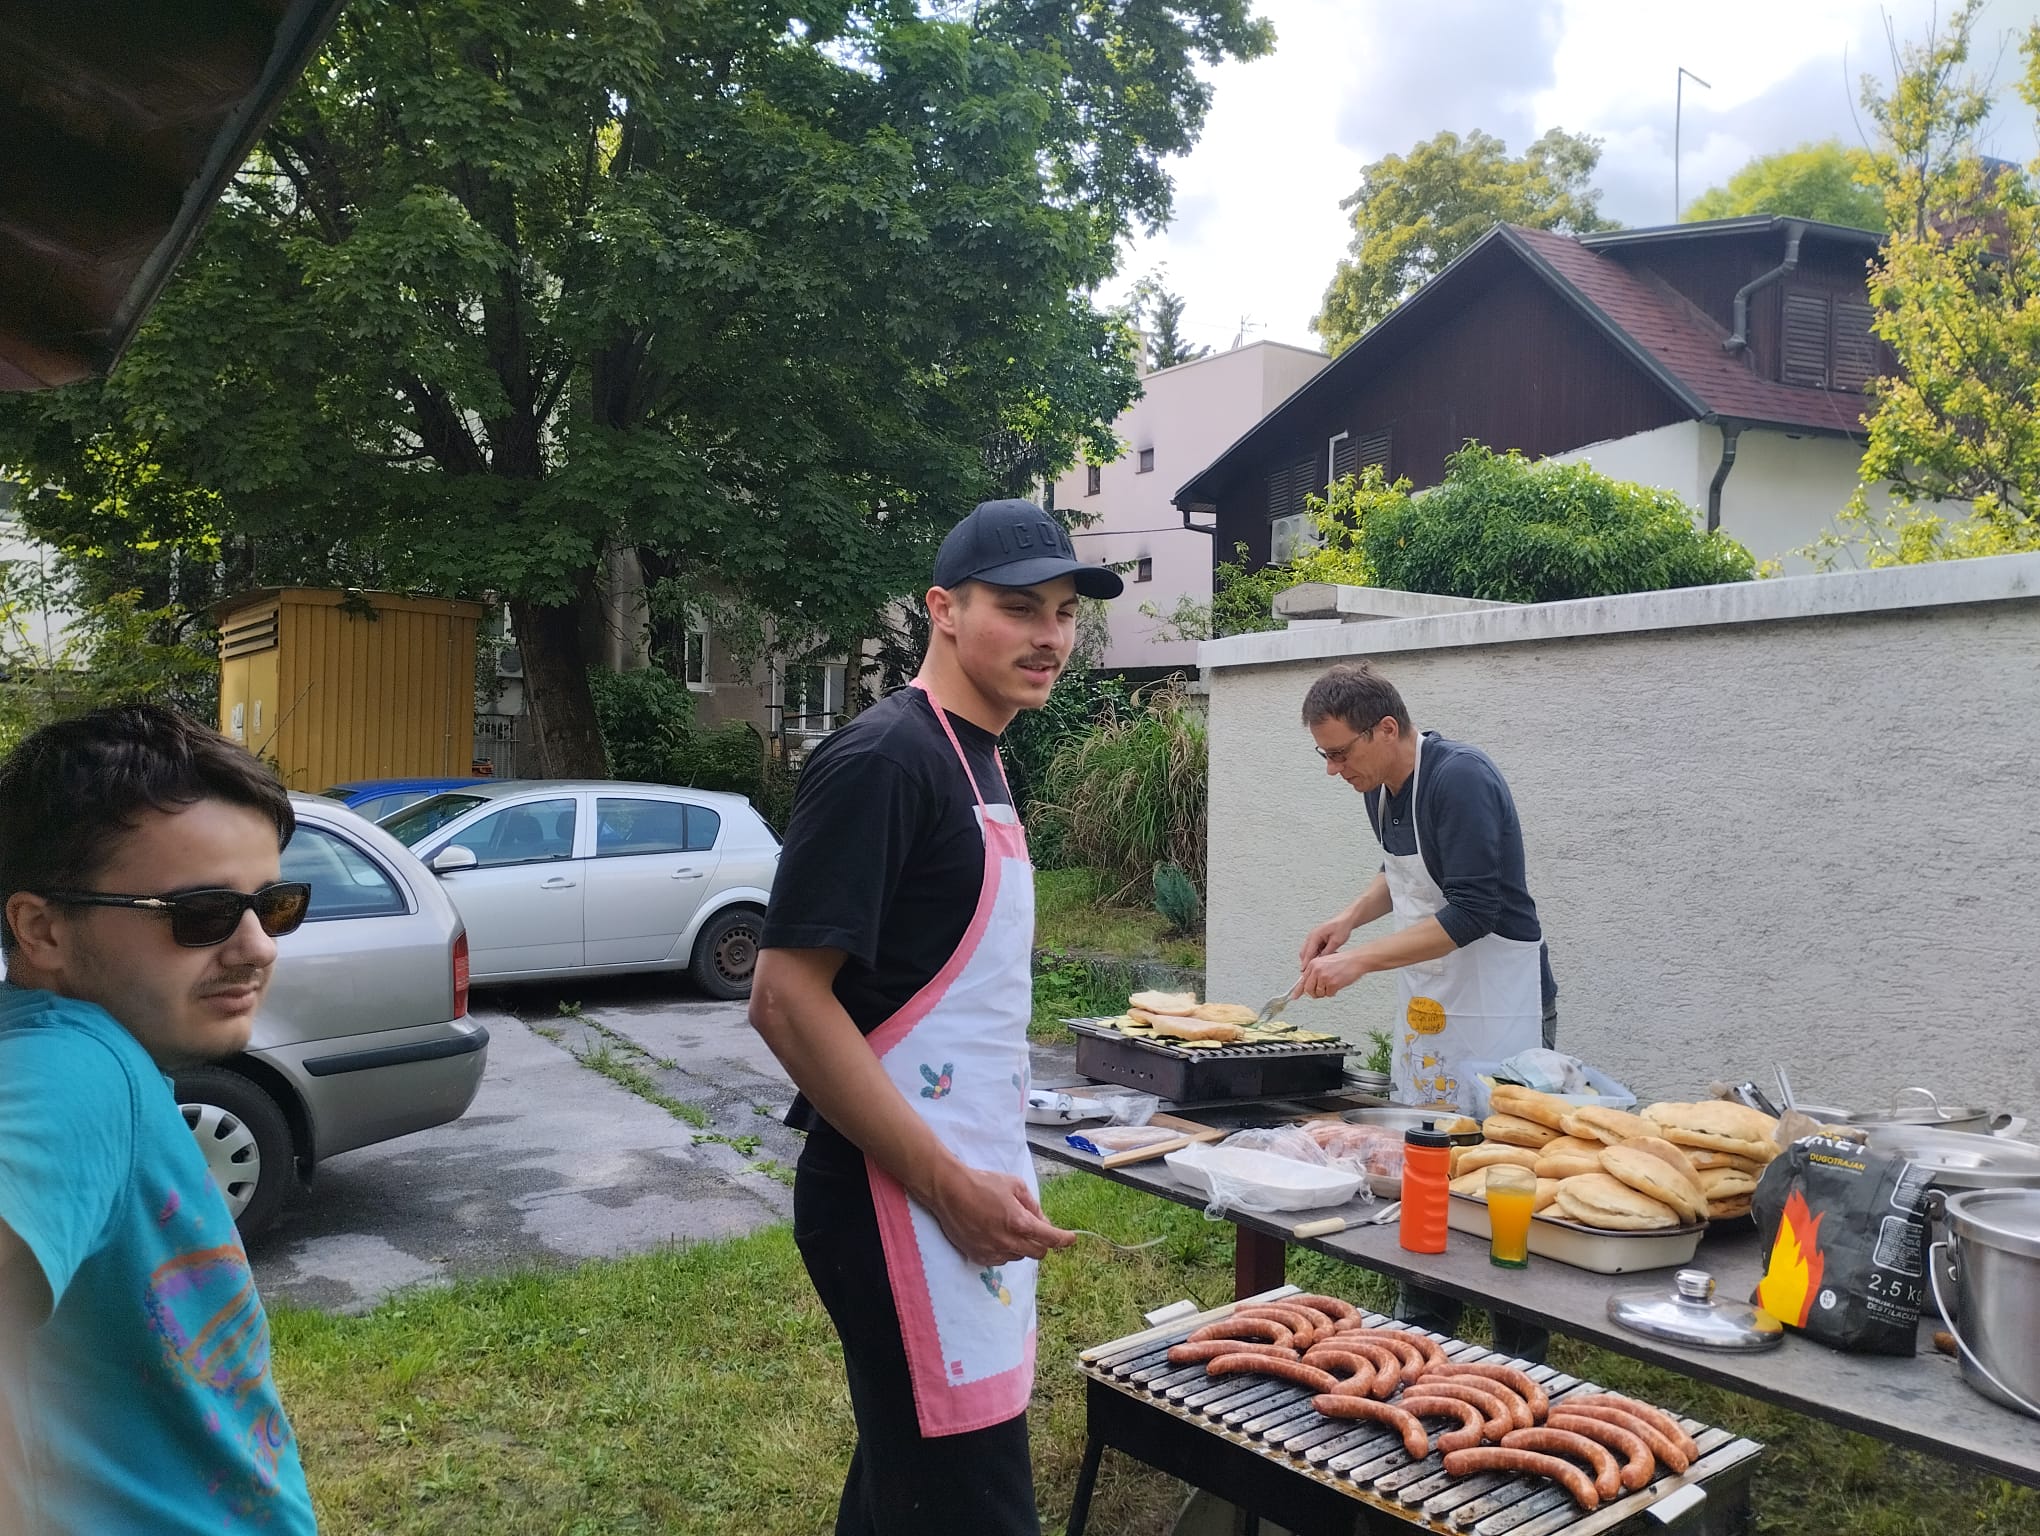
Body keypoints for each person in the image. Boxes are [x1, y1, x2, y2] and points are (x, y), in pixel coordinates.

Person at [749, 498, 1121, 1535]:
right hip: (892, 1195)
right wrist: (947, 1184)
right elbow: (784, 999)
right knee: (972, 1504)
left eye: (1062, 612)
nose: (1049, 636)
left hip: (953, 1174)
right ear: (943, 611)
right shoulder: (885, 761)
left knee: (908, 1489)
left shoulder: (983, 756)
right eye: (1017, 609)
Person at [0, 704, 319, 1535]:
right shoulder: (75, 1069)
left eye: (274, 905)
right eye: (203, 914)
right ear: (42, 930)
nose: (259, 947)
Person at [1293, 661, 1557, 1361]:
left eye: (1340, 752)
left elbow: (1474, 908)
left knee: (1500, 1167)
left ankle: (1521, 1345)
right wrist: (1348, 919)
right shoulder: (1380, 788)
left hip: (1500, 1006)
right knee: (1429, 1159)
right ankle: (1425, 1321)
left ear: (1387, 729)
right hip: (1436, 1001)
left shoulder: (1460, 777)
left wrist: (1360, 961)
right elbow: (1402, 872)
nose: (1333, 769)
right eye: (1324, 754)